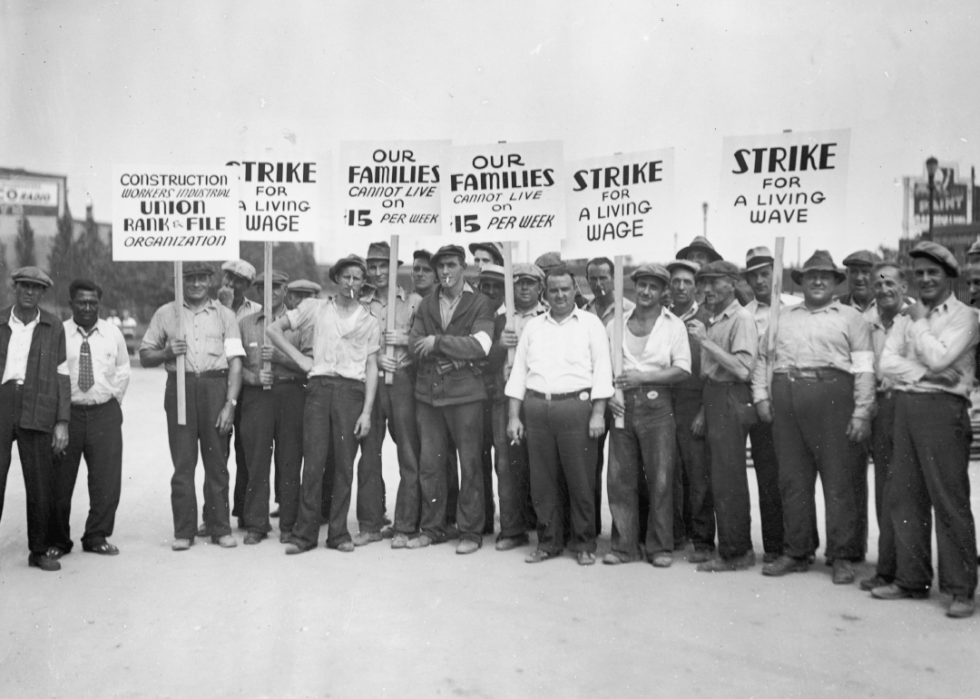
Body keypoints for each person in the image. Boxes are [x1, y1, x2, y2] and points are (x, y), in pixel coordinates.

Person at [754, 250, 874, 585]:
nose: (818, 281)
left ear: (837, 282)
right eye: (811, 276)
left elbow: (865, 369)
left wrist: (862, 412)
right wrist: (761, 396)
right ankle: (797, 550)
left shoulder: (852, 318)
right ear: (802, 281)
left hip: (833, 398)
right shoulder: (783, 317)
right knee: (793, 480)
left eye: (826, 276)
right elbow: (762, 360)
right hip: (787, 398)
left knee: (839, 482)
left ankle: (842, 555)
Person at [874, 242, 978, 619]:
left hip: (943, 410)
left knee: (949, 499)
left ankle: (960, 588)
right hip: (905, 406)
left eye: (933, 272)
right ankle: (911, 579)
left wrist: (920, 331)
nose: (925, 279)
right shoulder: (904, 319)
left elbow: (942, 357)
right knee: (905, 496)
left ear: (948, 276)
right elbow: (886, 364)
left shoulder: (966, 317)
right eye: (918, 273)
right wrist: (926, 371)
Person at [267, 255, 379, 555]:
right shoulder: (314, 308)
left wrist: (367, 411)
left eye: (356, 278)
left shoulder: (370, 320)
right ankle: (304, 535)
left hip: (352, 393)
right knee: (314, 463)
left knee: (344, 465)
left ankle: (338, 534)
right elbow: (273, 330)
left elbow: (370, 366)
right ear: (336, 279)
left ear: (362, 282)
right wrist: (300, 358)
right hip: (318, 389)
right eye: (345, 277)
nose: (350, 283)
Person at [506, 266, 613, 566]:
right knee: (542, 482)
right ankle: (549, 541)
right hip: (538, 408)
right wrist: (515, 417)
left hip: (577, 408)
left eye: (565, 289)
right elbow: (518, 375)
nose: (560, 295)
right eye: (553, 290)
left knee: (580, 480)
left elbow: (603, 370)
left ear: (575, 289)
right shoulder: (534, 327)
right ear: (545, 293)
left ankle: (584, 543)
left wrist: (598, 413)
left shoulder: (591, 325)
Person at [139, 262, 244, 551]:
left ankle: (219, 528)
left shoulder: (225, 315)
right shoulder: (167, 313)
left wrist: (229, 405)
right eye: (191, 279)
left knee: (217, 465)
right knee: (183, 464)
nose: (196, 284)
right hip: (180, 388)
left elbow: (235, 363)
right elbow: (145, 355)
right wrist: (166, 352)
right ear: (182, 281)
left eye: (202, 278)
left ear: (211, 281)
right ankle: (184, 530)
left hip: (214, 387)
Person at [407, 245, 494, 554]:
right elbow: (414, 343)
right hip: (428, 396)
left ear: (463, 268)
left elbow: (481, 344)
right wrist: (453, 351)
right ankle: (432, 529)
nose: (445, 272)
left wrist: (439, 343)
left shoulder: (480, 303)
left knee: (470, 464)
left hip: (466, 396)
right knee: (431, 465)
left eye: (451, 265)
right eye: (441, 266)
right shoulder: (427, 303)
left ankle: (470, 532)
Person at [604, 264, 690, 567]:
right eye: (641, 285)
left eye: (653, 287)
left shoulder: (673, 326)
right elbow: (603, 367)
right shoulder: (615, 324)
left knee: (661, 478)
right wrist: (607, 398)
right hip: (621, 406)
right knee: (620, 479)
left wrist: (644, 379)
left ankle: (659, 547)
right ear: (633, 287)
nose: (646, 292)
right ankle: (624, 546)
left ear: (662, 292)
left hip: (657, 407)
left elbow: (682, 369)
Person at [50, 279, 130, 558]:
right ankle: (58, 541)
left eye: (93, 302)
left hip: (104, 412)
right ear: (71, 303)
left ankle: (96, 535)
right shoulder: (58, 331)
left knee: (106, 480)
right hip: (67, 414)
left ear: (99, 304)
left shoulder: (112, 333)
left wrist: (110, 402)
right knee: (59, 480)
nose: (87, 307)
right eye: (82, 302)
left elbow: (123, 370)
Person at [686, 260, 758, 572]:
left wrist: (705, 341)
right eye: (703, 283)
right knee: (718, 476)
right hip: (715, 396)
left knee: (729, 477)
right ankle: (729, 547)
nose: (706, 290)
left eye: (714, 283)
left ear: (732, 283)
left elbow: (743, 369)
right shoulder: (715, 320)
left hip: (731, 396)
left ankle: (736, 552)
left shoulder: (741, 318)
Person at [0, 267, 70, 571]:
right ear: (15, 288)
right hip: (3, 401)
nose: (29, 292)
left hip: (37, 406)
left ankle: (39, 550)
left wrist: (62, 421)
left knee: (39, 483)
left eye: (36, 288)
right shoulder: (1, 320)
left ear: (43, 293)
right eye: (24, 286)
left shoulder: (53, 326)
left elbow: (62, 374)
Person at [361, 242, 423, 549]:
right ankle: (371, 523)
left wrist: (407, 342)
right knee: (369, 453)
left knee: (408, 454)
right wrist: (373, 358)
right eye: (372, 266)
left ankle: (405, 525)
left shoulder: (414, 301)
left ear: (395, 267)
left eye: (383, 265)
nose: (377, 272)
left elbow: (424, 341)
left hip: (402, 382)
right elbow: (354, 342)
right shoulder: (363, 304)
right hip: (371, 382)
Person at [237, 270, 306, 545]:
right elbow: (232, 365)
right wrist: (252, 376)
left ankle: (288, 524)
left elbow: (309, 364)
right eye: (264, 287)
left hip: (290, 392)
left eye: (276, 287)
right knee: (256, 460)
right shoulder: (244, 324)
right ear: (256, 290)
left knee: (289, 460)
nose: (271, 291)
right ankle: (256, 523)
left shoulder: (300, 323)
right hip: (257, 396)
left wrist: (282, 358)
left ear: (285, 290)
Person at [741, 246, 801, 563]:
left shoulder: (794, 308)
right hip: (757, 400)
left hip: (792, 400)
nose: (761, 280)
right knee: (767, 474)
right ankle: (775, 545)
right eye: (755, 276)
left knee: (794, 476)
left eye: (766, 273)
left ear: (777, 274)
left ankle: (800, 544)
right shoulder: (745, 314)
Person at [858, 261, 909, 592]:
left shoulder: (915, 319)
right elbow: (862, 368)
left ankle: (911, 571)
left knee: (910, 492)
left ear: (903, 287)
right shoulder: (865, 322)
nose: (884, 289)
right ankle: (887, 568)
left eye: (891, 283)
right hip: (882, 408)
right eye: (878, 284)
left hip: (913, 405)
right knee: (885, 491)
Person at [488, 263, 547, 551]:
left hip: (537, 398)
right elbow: (484, 361)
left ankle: (549, 528)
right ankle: (512, 529)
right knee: (508, 465)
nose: (524, 288)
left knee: (544, 463)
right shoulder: (499, 318)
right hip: (504, 399)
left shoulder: (550, 317)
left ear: (540, 287)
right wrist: (500, 346)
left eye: (530, 283)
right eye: (519, 283)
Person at [667, 259, 715, 562]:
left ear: (696, 287)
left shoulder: (708, 319)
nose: (681, 287)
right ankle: (674, 534)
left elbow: (712, 373)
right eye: (676, 282)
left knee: (698, 477)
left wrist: (703, 413)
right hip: (665, 403)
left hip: (695, 402)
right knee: (669, 474)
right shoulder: (664, 318)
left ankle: (703, 541)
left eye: (687, 282)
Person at [584, 256, 635, 536]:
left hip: (620, 398)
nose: (599, 283)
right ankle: (589, 529)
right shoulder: (583, 310)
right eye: (594, 278)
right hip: (591, 398)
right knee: (589, 465)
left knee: (621, 471)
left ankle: (624, 533)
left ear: (615, 278)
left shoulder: (630, 311)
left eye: (604, 277)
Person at [220, 259, 260, 530]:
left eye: (239, 280)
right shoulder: (211, 307)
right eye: (229, 277)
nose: (232, 284)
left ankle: (246, 511)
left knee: (246, 454)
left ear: (248, 286)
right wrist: (223, 307)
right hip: (216, 387)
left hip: (246, 390)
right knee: (216, 454)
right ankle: (215, 515)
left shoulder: (256, 311)